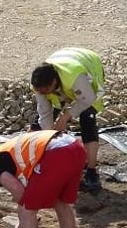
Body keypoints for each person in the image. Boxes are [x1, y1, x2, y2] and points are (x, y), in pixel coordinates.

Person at [30, 47, 106, 193]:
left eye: (46, 90)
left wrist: (66, 117)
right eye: (41, 91)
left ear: (53, 82)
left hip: (88, 65)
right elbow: (45, 112)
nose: (43, 93)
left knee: (87, 119)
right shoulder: (39, 86)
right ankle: (32, 160)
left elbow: (88, 99)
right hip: (65, 64)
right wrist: (49, 136)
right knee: (41, 121)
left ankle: (91, 172)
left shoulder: (74, 76)